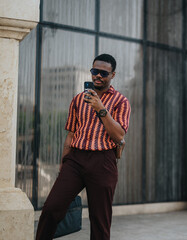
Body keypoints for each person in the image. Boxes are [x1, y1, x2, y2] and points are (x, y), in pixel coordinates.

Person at [35, 54, 131, 240]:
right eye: (95, 71)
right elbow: (71, 134)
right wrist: (64, 164)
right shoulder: (78, 100)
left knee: (100, 220)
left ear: (113, 75)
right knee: (51, 207)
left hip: (103, 161)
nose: (98, 76)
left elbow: (119, 135)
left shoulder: (121, 101)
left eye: (103, 73)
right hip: (76, 160)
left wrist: (100, 108)